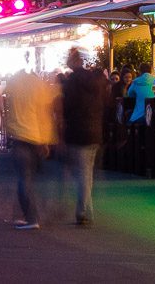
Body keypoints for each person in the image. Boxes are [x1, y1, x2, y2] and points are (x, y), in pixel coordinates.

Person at [4, 68, 58, 230]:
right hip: (37, 137)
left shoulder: (14, 84)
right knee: (32, 177)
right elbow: (44, 114)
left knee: (24, 179)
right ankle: (29, 213)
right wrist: (46, 140)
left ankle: (31, 217)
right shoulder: (39, 86)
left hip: (20, 137)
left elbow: (8, 108)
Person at [62, 48, 110, 226]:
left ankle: (83, 211)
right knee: (87, 173)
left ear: (73, 63)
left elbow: (67, 108)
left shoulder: (72, 82)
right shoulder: (96, 81)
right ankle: (87, 211)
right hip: (95, 131)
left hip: (78, 132)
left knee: (82, 173)